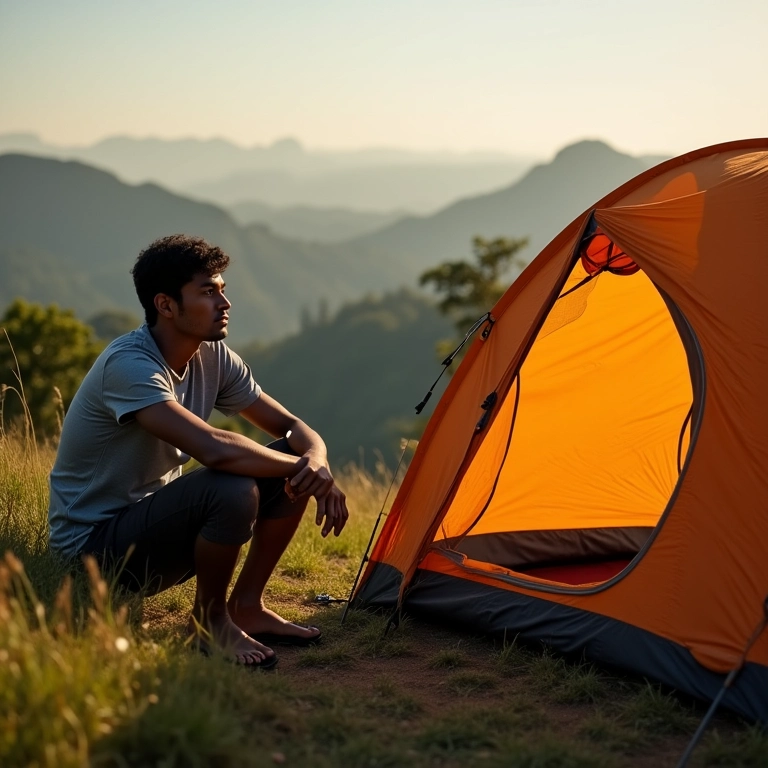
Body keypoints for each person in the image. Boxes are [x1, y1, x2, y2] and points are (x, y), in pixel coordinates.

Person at [48, 234, 349, 668]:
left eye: (222, 291)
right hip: (94, 552)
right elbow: (215, 450)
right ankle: (209, 622)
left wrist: (315, 461)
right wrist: (304, 470)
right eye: (208, 292)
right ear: (166, 305)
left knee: (282, 461)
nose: (224, 303)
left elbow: (290, 427)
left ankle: (247, 606)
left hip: (153, 529)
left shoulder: (213, 357)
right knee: (230, 488)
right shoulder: (130, 366)